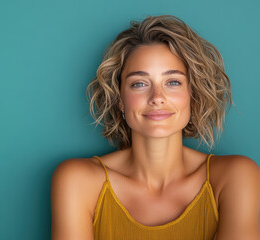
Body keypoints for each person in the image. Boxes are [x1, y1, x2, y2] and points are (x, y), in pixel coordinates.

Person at [50, 15, 260, 240]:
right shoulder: (77, 180)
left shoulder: (235, 176)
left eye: (173, 82)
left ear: (193, 95)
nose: (157, 97)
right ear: (120, 99)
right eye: (139, 84)